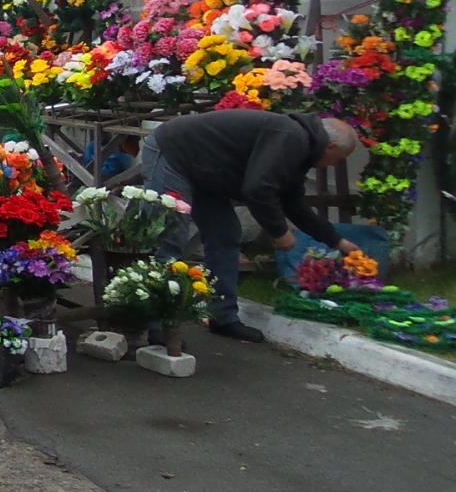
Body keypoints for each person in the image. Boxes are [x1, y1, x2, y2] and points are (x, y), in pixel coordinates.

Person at [143, 109, 362, 342]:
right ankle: (158, 326)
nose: (335, 164)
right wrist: (279, 231)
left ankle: (222, 317)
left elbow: (293, 202)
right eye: (340, 159)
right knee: (170, 236)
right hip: (173, 153)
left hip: (203, 168)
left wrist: (337, 242)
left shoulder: (302, 147)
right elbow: (258, 189)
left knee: (225, 235)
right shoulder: (291, 137)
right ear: (330, 147)